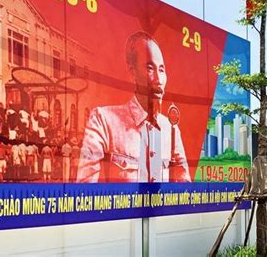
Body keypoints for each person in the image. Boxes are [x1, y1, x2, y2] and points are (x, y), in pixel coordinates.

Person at [77, 31, 190, 183]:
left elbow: (184, 188)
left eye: (162, 70)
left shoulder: (171, 129)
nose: (158, 79)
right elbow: (86, 192)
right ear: (132, 71)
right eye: (150, 68)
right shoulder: (104, 121)